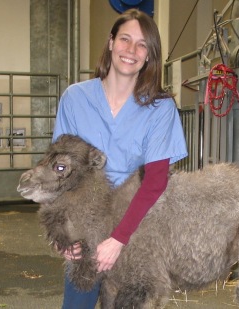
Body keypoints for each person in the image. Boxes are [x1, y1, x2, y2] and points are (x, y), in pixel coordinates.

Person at [51, 8, 188, 308]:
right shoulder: (75, 99)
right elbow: (60, 172)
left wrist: (118, 239)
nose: (131, 50)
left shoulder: (160, 108)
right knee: (77, 303)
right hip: (86, 224)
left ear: (150, 56)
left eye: (142, 45)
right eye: (125, 39)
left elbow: (155, 181)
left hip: (135, 222)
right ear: (111, 42)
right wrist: (62, 234)